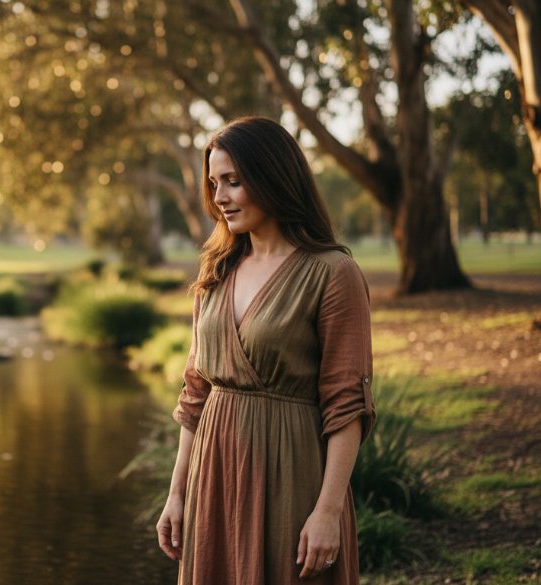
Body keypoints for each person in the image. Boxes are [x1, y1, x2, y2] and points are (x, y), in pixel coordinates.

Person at [155, 116, 376, 584]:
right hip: (213, 475)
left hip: (291, 475)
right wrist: (177, 493)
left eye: (234, 181)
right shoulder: (216, 270)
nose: (219, 197)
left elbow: (347, 406)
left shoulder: (332, 273)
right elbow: (195, 395)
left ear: (273, 177)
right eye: (214, 183)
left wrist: (328, 512)